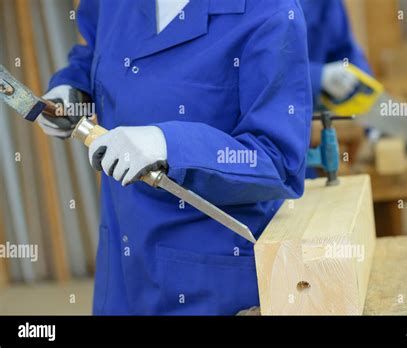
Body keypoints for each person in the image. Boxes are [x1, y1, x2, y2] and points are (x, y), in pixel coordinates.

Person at [38, 0, 312, 315]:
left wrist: (168, 144)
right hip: (122, 268)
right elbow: (94, 51)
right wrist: (72, 88)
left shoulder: (269, 13)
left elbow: (279, 161)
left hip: (206, 278)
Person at [299, 0, 372, 178]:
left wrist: (373, 116)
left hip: (313, 148)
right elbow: (255, 67)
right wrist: (316, 76)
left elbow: (345, 50)